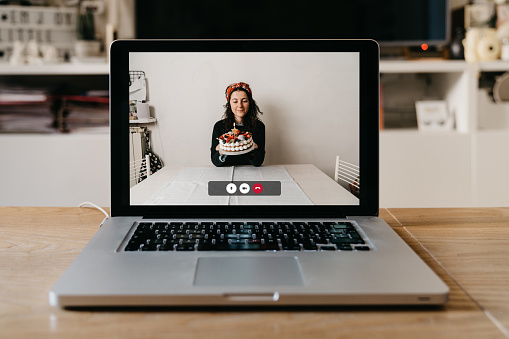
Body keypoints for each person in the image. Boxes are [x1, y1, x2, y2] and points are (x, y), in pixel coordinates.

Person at [211, 82, 265, 167]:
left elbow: (258, 162)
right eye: (235, 101)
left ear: (250, 103)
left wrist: (251, 148)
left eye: (244, 101)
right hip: (225, 174)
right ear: (229, 104)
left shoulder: (259, 126)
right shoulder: (219, 126)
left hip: (251, 175)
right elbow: (215, 161)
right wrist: (222, 152)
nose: (240, 105)